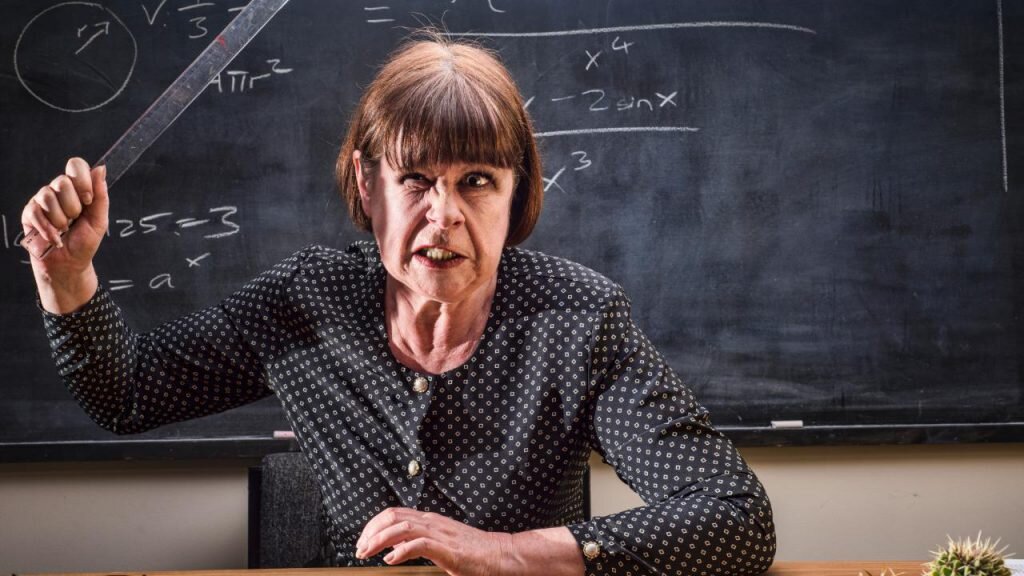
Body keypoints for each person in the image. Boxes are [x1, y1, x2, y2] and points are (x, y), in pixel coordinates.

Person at [23, 32, 776, 575]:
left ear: (516, 191)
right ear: (366, 182)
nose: (444, 216)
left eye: (477, 181)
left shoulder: (578, 319)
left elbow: (734, 517)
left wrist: (504, 552)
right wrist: (67, 275)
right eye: (415, 179)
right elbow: (126, 393)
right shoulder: (308, 300)